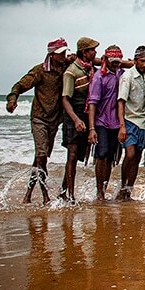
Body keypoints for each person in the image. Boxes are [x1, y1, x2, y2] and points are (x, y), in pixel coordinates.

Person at [6, 37, 70, 204]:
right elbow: (19, 85)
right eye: (60, 53)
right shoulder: (40, 71)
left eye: (64, 52)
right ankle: (45, 196)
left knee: (40, 159)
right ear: (51, 55)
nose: (63, 55)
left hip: (54, 120)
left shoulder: (65, 67)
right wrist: (12, 100)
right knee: (41, 156)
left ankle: (27, 194)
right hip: (39, 119)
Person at [58, 36, 98, 202]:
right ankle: (70, 195)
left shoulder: (90, 69)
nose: (95, 52)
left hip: (86, 115)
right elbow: (65, 99)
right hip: (73, 116)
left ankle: (63, 191)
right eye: (92, 50)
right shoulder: (71, 72)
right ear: (84, 52)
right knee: (72, 155)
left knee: (78, 156)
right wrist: (75, 120)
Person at [87, 45, 124, 200]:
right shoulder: (98, 77)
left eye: (118, 62)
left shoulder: (121, 74)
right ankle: (99, 191)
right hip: (101, 121)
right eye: (113, 62)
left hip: (116, 122)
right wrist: (92, 128)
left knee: (110, 157)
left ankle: (104, 187)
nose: (116, 64)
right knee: (101, 155)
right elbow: (92, 103)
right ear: (106, 60)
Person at [117, 46, 145, 200]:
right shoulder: (128, 76)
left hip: (143, 122)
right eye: (142, 61)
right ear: (136, 60)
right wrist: (122, 126)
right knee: (130, 154)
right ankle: (122, 186)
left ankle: (128, 191)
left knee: (137, 157)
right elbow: (121, 102)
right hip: (130, 120)